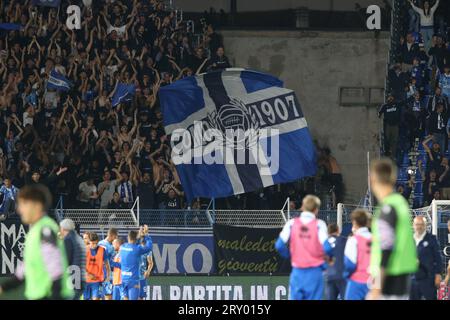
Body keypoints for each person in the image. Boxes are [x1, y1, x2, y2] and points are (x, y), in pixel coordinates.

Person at [0, 184, 73, 300]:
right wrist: (3, 287)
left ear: (37, 206)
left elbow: (56, 270)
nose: (19, 209)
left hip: (49, 295)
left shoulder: (45, 229)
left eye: (23, 204)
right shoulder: (35, 231)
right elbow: (23, 272)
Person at [367, 158, 418, 300]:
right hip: (401, 278)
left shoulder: (387, 209)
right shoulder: (400, 202)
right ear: (393, 177)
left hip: (388, 280)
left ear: (373, 179)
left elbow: (386, 248)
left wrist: (377, 286)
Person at [275, 195, 332, 300]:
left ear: (303, 207)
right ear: (316, 210)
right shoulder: (319, 224)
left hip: (297, 272)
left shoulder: (291, 224)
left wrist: (290, 255)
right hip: (315, 273)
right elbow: (328, 248)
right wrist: (324, 263)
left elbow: (279, 245)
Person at [410, 216, 443, 300]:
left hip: (428, 278)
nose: (419, 227)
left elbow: (438, 258)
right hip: (412, 279)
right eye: (417, 224)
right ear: (413, 225)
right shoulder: (409, 240)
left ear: (425, 225)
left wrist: (438, 274)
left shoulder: (432, 239)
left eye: (421, 224)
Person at [343, 209, 372, 300]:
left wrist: (346, 276)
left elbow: (349, 264)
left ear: (354, 222)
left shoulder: (353, 240)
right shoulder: (377, 239)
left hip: (357, 281)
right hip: (374, 282)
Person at [119, 225, 153, 300]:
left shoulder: (122, 247)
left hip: (123, 279)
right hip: (133, 280)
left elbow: (132, 244)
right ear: (136, 239)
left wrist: (138, 236)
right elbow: (149, 247)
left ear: (128, 237)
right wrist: (146, 235)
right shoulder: (137, 249)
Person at [59, 218, 86, 300]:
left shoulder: (68, 239)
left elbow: (66, 261)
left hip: (72, 279)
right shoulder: (79, 239)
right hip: (80, 278)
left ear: (63, 229)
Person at [84, 232, 110, 300]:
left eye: (96, 243)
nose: (94, 245)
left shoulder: (102, 250)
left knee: (96, 298)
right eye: (92, 243)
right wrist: (87, 274)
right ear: (89, 241)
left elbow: (107, 265)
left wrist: (108, 277)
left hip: (97, 280)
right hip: (86, 280)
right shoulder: (84, 250)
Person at [325, 223, 347, 300]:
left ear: (328, 232)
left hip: (329, 275)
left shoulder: (325, 242)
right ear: (338, 230)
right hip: (342, 274)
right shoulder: (344, 240)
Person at [98, 228, 118, 300]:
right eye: (116, 237)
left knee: (98, 296)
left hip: (99, 273)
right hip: (107, 274)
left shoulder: (99, 243)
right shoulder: (111, 247)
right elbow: (112, 262)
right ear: (112, 235)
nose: (116, 238)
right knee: (108, 296)